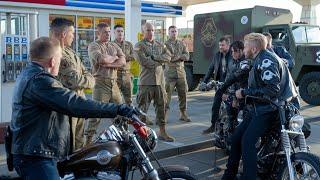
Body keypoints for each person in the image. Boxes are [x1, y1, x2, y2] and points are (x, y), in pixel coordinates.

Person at [10, 37, 137, 180]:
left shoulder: (30, 73)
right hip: (36, 157)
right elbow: (75, 104)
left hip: (36, 150)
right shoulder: (40, 81)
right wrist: (118, 109)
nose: (60, 62)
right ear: (52, 61)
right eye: (59, 58)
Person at [222, 33, 299, 180]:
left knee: (247, 141)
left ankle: (248, 177)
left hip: (269, 109)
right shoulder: (260, 58)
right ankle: (229, 175)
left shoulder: (266, 60)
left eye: (245, 47)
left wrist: (244, 92)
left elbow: (271, 90)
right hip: (259, 108)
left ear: (254, 48)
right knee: (237, 137)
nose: (244, 50)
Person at [50, 18, 95, 150]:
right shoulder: (56, 53)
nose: (74, 37)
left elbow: (86, 72)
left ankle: (77, 170)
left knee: (79, 144)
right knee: (68, 145)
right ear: (64, 34)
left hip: (78, 102)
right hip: (66, 106)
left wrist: (87, 79)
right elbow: (74, 81)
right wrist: (89, 80)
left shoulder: (70, 52)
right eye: (72, 33)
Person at [85, 23, 126, 145]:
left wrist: (110, 62)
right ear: (98, 33)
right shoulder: (93, 46)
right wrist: (114, 58)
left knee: (120, 112)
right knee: (96, 114)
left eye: (109, 32)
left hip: (114, 84)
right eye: (105, 32)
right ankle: (88, 141)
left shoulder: (113, 45)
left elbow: (123, 61)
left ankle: (121, 137)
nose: (108, 34)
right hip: (100, 83)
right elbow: (102, 59)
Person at [134, 22, 174, 142]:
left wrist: (155, 58)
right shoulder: (139, 46)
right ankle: (141, 134)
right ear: (143, 32)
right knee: (142, 110)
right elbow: (144, 62)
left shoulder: (160, 44)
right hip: (146, 82)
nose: (151, 33)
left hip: (160, 82)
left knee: (162, 107)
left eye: (152, 30)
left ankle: (162, 132)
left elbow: (168, 57)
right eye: (148, 30)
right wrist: (159, 61)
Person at [202, 41, 246, 134]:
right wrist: (204, 82)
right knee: (216, 107)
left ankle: (233, 133)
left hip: (234, 90)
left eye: (222, 45)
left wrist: (232, 95)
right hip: (224, 85)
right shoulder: (217, 56)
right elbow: (211, 69)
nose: (220, 47)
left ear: (228, 46)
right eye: (219, 45)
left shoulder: (236, 59)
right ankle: (214, 126)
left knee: (234, 113)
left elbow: (236, 79)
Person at [165, 25, 191, 122]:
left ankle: (183, 114)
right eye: (172, 31)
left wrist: (176, 57)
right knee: (166, 96)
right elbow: (168, 58)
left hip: (181, 73)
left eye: (175, 31)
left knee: (183, 94)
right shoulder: (165, 44)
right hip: (169, 74)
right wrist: (180, 57)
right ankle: (164, 115)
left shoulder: (182, 44)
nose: (174, 33)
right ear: (169, 33)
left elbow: (187, 56)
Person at [113, 24, 135, 105]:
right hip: (115, 75)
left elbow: (134, 56)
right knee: (116, 100)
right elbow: (110, 58)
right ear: (114, 33)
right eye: (118, 31)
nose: (120, 33)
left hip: (127, 75)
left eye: (122, 31)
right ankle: (117, 117)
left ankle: (128, 117)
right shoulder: (110, 45)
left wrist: (121, 58)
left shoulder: (129, 45)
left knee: (129, 99)